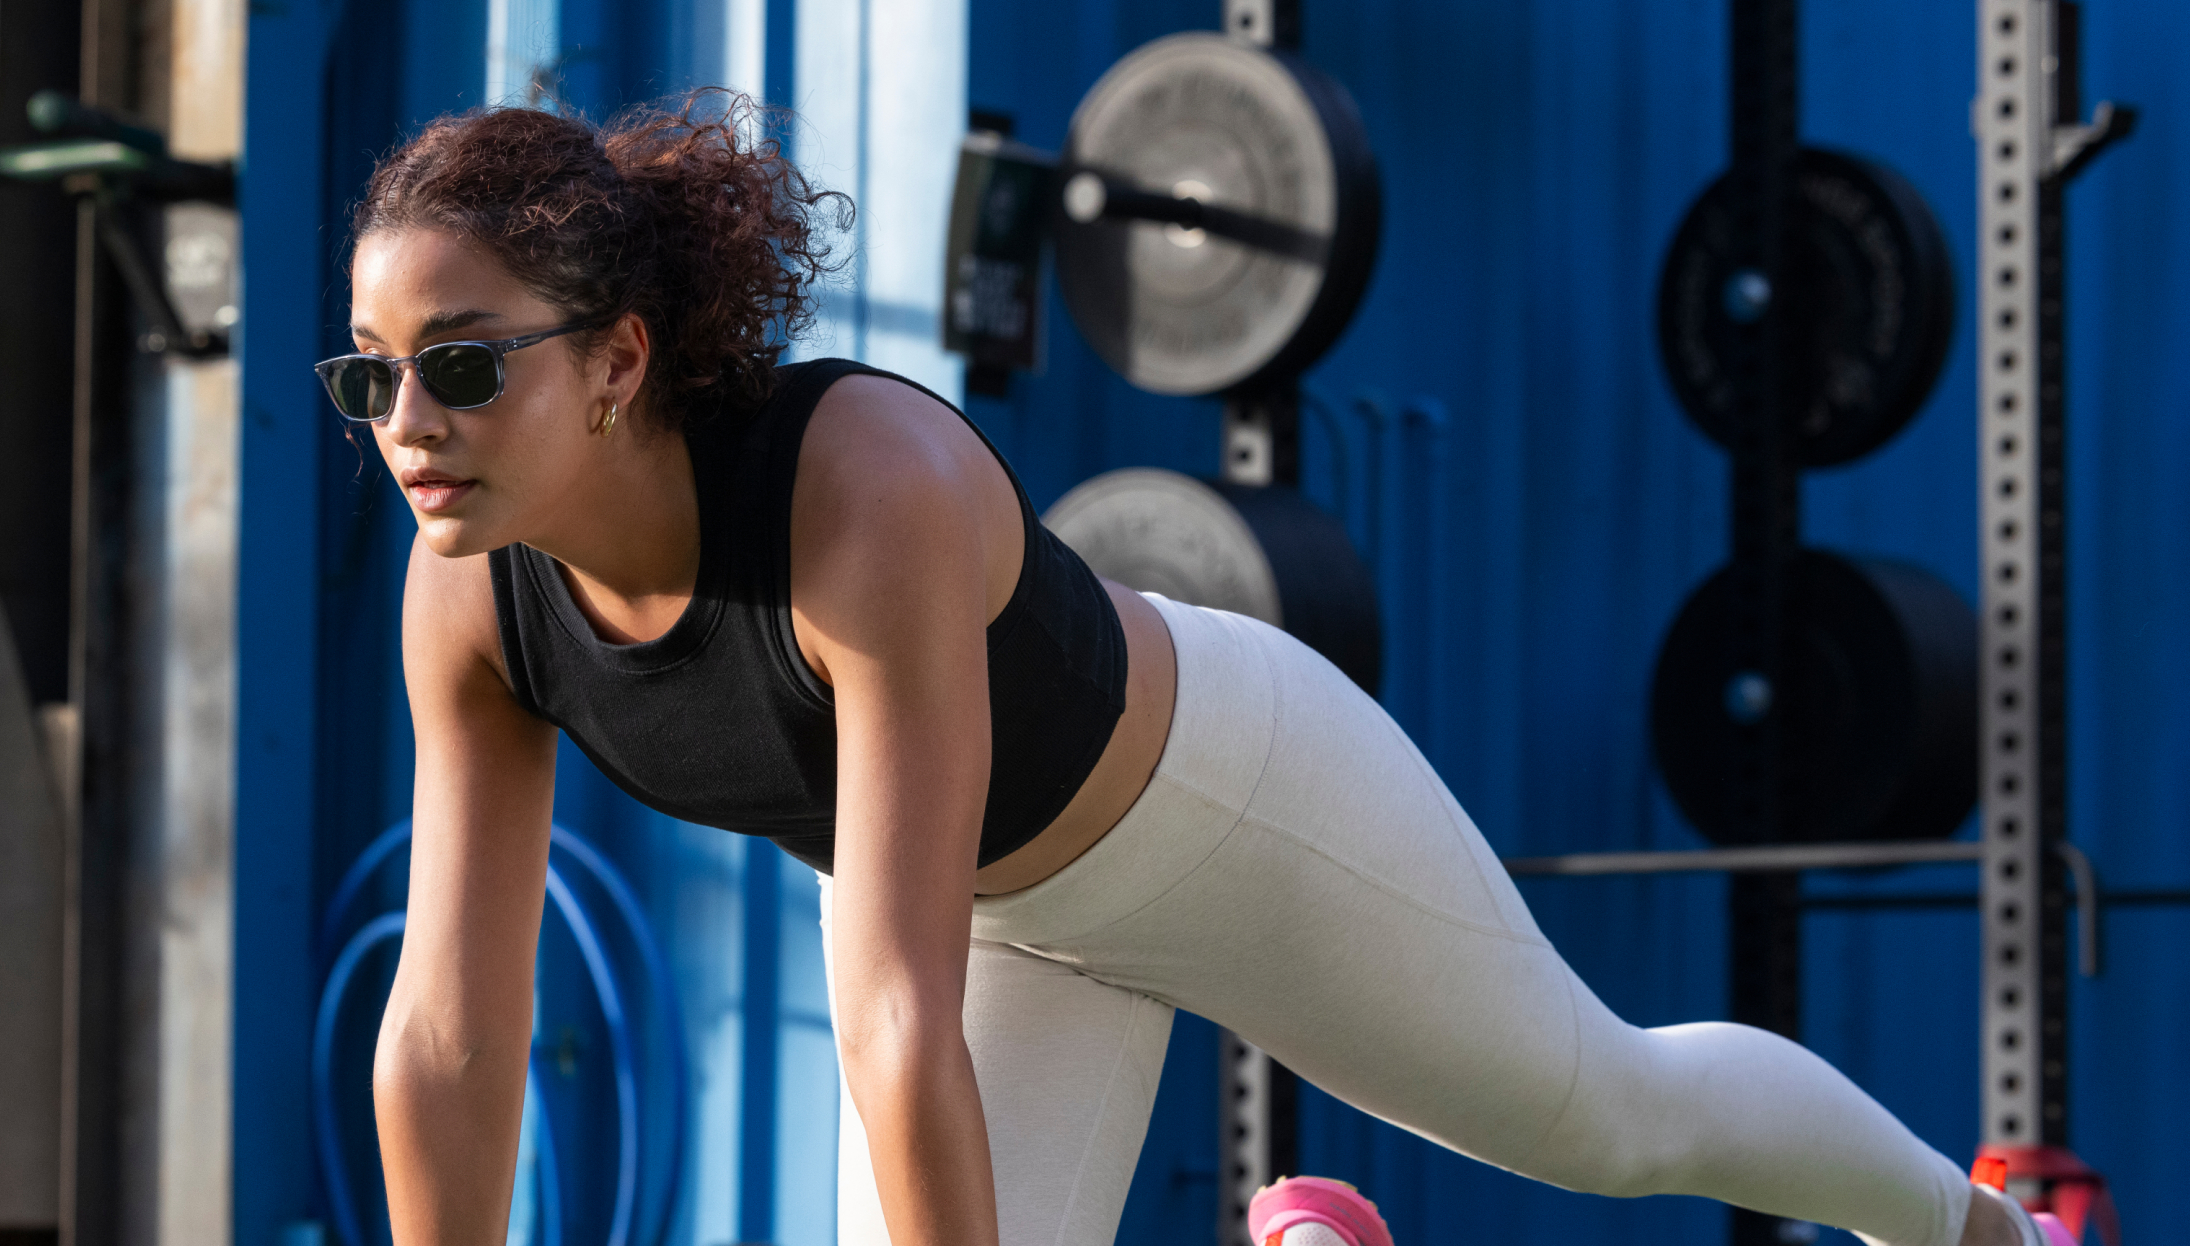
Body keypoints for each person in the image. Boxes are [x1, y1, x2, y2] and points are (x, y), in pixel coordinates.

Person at [332, 94, 2052, 1246]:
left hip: (1233, 813)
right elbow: (453, 1032)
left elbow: (889, 1009)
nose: (411, 427)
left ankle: (1981, 1226)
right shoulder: (473, 599)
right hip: (1018, 927)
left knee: (1614, 1116)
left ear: (621, 359)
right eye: (375, 378)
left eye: (463, 368)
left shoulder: (861, 489)